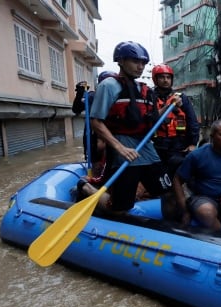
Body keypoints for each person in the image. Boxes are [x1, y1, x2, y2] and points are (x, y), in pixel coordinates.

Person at [78, 41, 182, 214]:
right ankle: (86, 187)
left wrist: (171, 105)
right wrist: (119, 148)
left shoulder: (145, 90)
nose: (140, 66)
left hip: (146, 150)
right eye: (135, 61)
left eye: (143, 63)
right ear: (120, 61)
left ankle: (169, 230)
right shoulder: (109, 86)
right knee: (120, 207)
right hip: (123, 152)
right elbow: (96, 122)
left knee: (168, 192)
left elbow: (153, 120)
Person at [151, 63, 199, 178]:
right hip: (157, 144)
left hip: (178, 144)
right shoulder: (150, 98)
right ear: (155, 79)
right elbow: (149, 118)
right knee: (159, 174)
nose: (165, 80)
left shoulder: (181, 98)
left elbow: (192, 121)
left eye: (168, 77)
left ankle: (177, 192)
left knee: (179, 172)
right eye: (161, 77)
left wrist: (193, 143)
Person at [72, 71, 118, 188]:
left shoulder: (119, 96)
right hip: (93, 136)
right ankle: (96, 188)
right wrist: (79, 94)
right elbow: (76, 109)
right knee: (97, 165)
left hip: (112, 135)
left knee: (113, 164)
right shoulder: (91, 96)